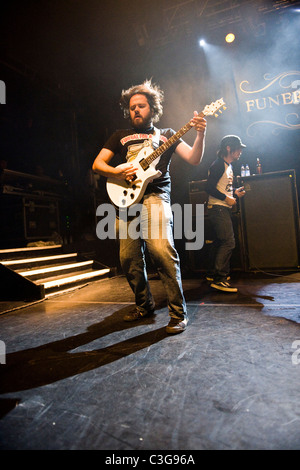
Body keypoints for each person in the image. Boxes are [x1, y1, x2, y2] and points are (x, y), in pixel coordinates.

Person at [92, 79, 206, 334]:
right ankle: (144, 305)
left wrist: (200, 133)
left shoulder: (166, 135)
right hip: (126, 199)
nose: (136, 110)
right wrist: (119, 174)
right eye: (132, 107)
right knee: (127, 259)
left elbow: (194, 159)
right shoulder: (119, 136)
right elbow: (97, 165)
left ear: (152, 109)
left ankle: (178, 315)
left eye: (141, 106)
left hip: (156, 195)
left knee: (162, 251)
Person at [205, 135, 246, 293]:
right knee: (228, 242)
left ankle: (212, 274)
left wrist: (233, 193)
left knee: (219, 242)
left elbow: (221, 189)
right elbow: (208, 187)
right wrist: (226, 198)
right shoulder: (218, 165)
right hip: (218, 208)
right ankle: (219, 279)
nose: (241, 151)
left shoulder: (227, 165)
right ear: (229, 148)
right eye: (238, 148)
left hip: (221, 207)